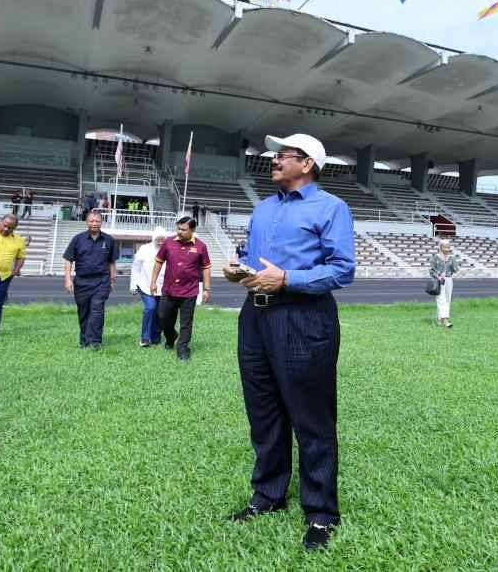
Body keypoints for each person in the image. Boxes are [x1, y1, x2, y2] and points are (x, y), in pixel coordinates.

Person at [223, 133, 356, 550]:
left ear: (307, 163)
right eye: (274, 155)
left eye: (283, 155)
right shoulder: (263, 209)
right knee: (263, 411)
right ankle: (268, 495)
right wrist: (240, 269)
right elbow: (257, 260)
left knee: (311, 417)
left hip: (303, 316)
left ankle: (320, 513)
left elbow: (342, 269)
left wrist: (288, 279)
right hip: (255, 316)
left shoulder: (331, 208)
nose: (274, 160)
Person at [150, 215, 211, 361]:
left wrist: (206, 289)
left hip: (189, 291)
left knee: (186, 322)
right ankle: (171, 338)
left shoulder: (201, 246)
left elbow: (206, 268)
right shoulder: (168, 242)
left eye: (183, 229)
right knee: (163, 317)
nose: (179, 231)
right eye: (178, 228)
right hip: (169, 290)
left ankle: (183, 349)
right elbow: (158, 262)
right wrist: (153, 282)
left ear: (192, 230)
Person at [63, 209, 116, 350]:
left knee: (97, 310)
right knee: (84, 311)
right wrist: (68, 280)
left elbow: (112, 262)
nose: (94, 223)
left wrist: (112, 280)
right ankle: (84, 340)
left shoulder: (109, 240)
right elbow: (68, 260)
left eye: (97, 221)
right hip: (81, 282)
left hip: (101, 281)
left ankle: (95, 341)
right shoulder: (77, 239)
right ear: (86, 222)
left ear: (101, 222)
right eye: (91, 221)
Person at [130, 227, 166, 347]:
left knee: (160, 313)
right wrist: (133, 284)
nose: (160, 242)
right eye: (158, 239)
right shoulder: (144, 249)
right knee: (150, 308)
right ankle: (145, 338)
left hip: (162, 287)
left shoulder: (168, 249)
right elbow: (136, 267)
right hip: (145, 285)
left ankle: (155, 337)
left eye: (162, 239)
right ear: (153, 238)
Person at [430, 238, 461, 328]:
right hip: (438, 280)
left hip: (448, 280)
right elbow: (431, 270)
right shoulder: (435, 257)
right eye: (445, 247)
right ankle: (445, 320)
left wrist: (454, 262)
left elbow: (456, 270)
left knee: (447, 299)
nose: (447, 249)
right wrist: (438, 277)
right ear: (440, 247)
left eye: (448, 247)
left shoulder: (451, 258)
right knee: (441, 299)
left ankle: (439, 318)